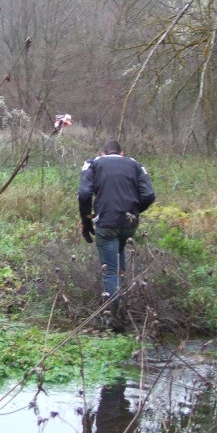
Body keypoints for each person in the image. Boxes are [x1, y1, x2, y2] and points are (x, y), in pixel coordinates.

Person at [78, 140, 155, 327]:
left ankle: (113, 319)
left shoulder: (93, 163)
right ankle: (122, 310)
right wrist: (133, 211)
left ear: (103, 153)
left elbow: (84, 194)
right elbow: (149, 195)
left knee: (110, 271)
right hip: (129, 223)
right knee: (120, 264)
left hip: (106, 222)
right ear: (122, 153)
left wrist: (87, 220)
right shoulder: (135, 164)